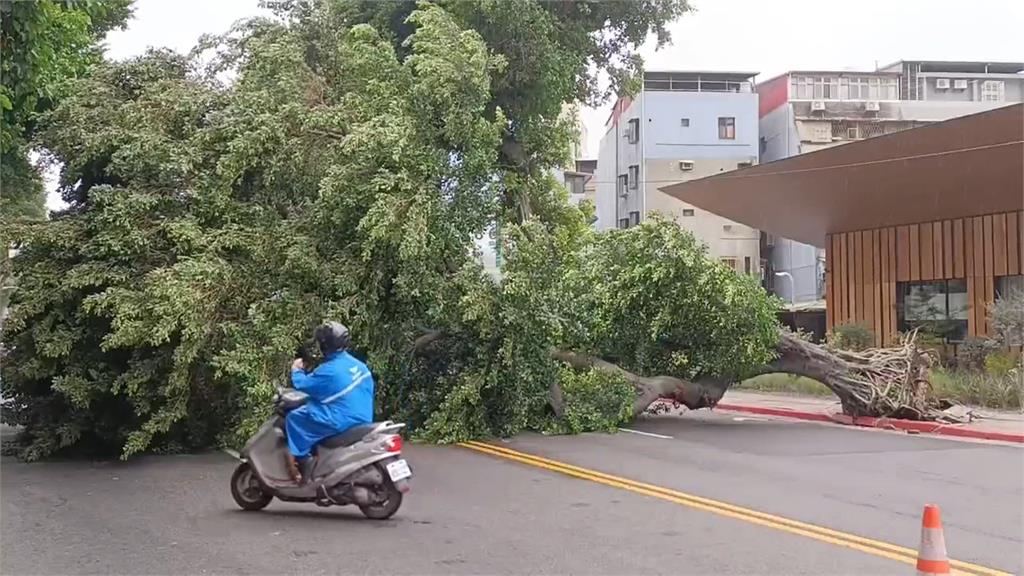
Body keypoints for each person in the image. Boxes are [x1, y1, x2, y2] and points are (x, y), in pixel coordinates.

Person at [285, 321, 374, 484]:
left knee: (294, 418)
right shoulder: (359, 365)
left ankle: (304, 465)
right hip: (364, 417)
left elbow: (302, 384)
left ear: (324, 345)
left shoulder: (328, 371)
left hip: (341, 419)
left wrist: (296, 370)